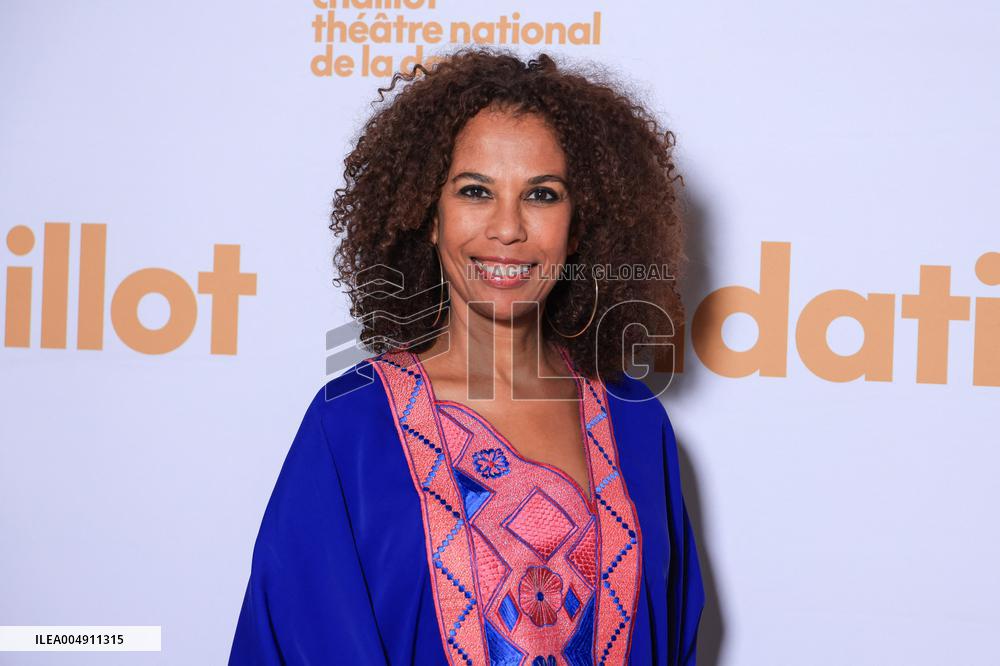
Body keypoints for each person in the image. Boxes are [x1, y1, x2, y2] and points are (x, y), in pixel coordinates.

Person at [229, 47, 705, 665]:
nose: (506, 228)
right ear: (428, 216)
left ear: (581, 226)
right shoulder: (352, 424)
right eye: (476, 190)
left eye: (542, 195)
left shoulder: (636, 422)